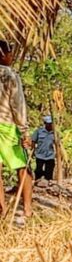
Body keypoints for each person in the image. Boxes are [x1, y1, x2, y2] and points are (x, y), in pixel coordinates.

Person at [0, 40, 33, 225]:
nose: (12, 56)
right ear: (3, 54)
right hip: (7, 126)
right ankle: (27, 207)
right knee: (23, 166)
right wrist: (24, 131)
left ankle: (3, 209)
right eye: (10, 52)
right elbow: (17, 105)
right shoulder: (10, 75)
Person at [31, 115, 57, 181]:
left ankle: (48, 184)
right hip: (40, 155)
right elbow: (33, 141)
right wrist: (33, 151)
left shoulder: (55, 133)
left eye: (51, 124)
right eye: (48, 124)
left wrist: (57, 153)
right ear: (45, 124)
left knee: (49, 173)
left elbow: (57, 144)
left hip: (50, 156)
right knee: (38, 171)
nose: (50, 125)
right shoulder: (39, 131)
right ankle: (38, 183)